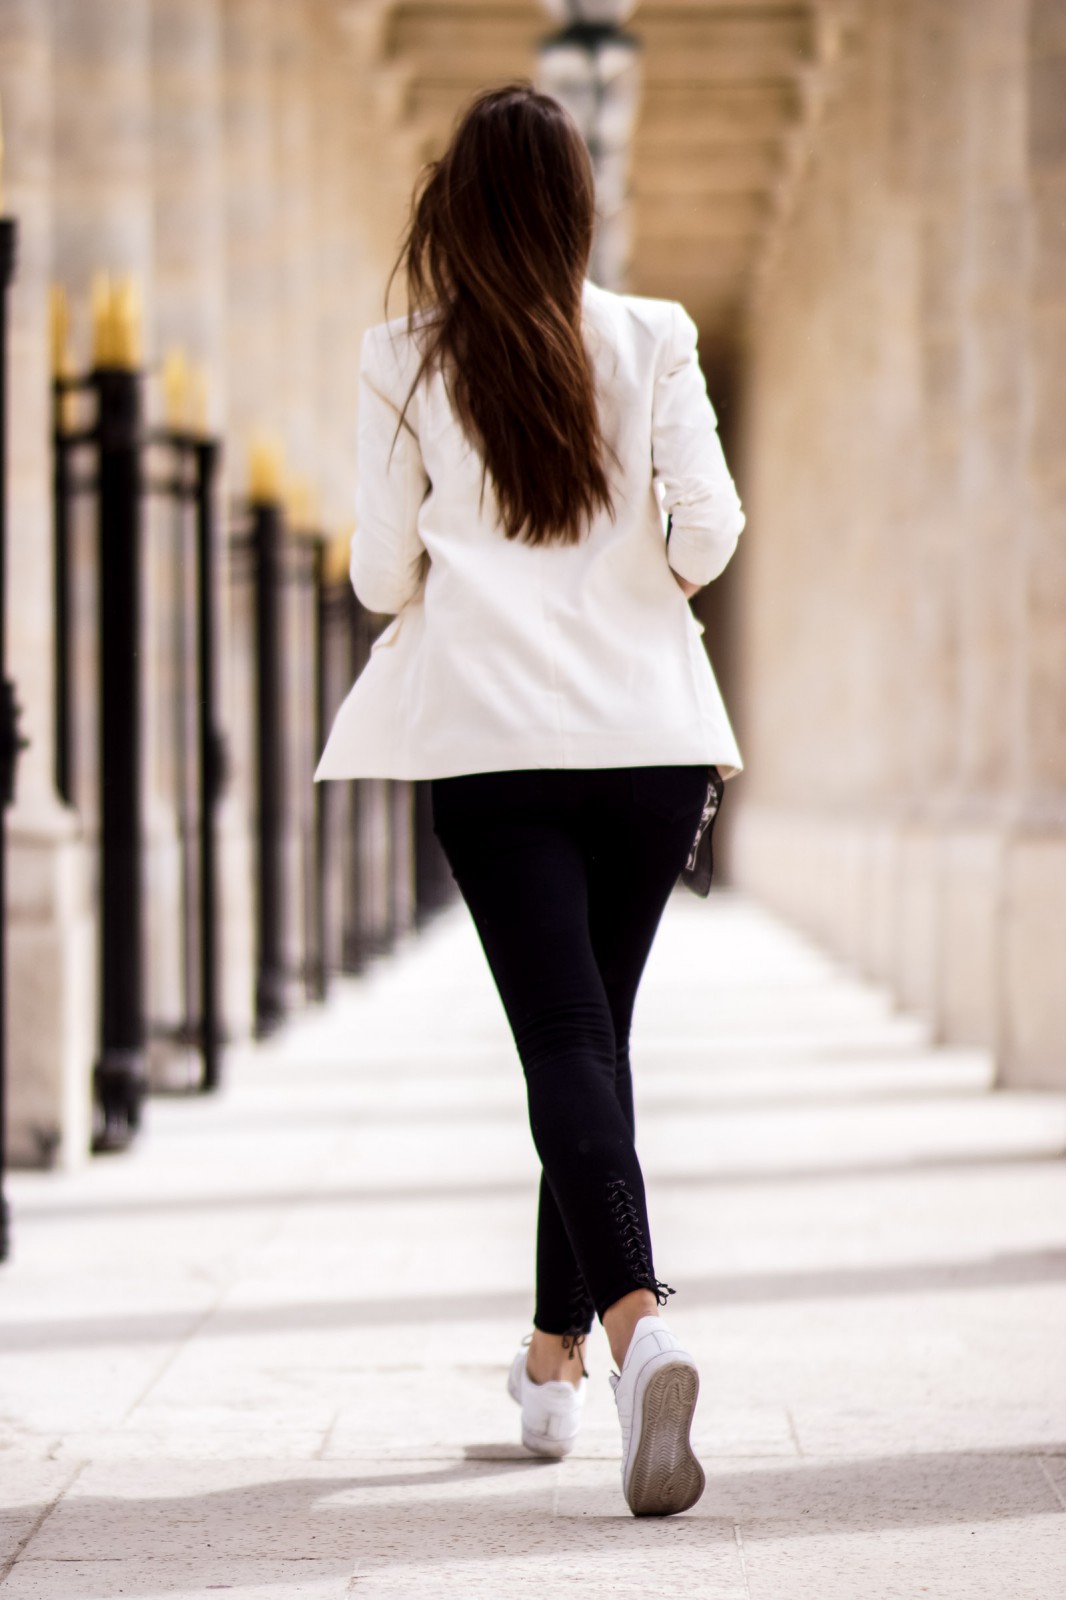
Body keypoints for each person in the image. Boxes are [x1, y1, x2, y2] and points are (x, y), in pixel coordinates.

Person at [316, 82, 745, 1518]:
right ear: (577, 207)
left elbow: (382, 579)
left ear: (462, 206)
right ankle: (552, 1357)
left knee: (565, 1041)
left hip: (495, 749)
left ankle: (634, 1330)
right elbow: (712, 530)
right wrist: (646, 578)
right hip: (647, 740)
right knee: (592, 1046)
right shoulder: (652, 335)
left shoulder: (403, 357)